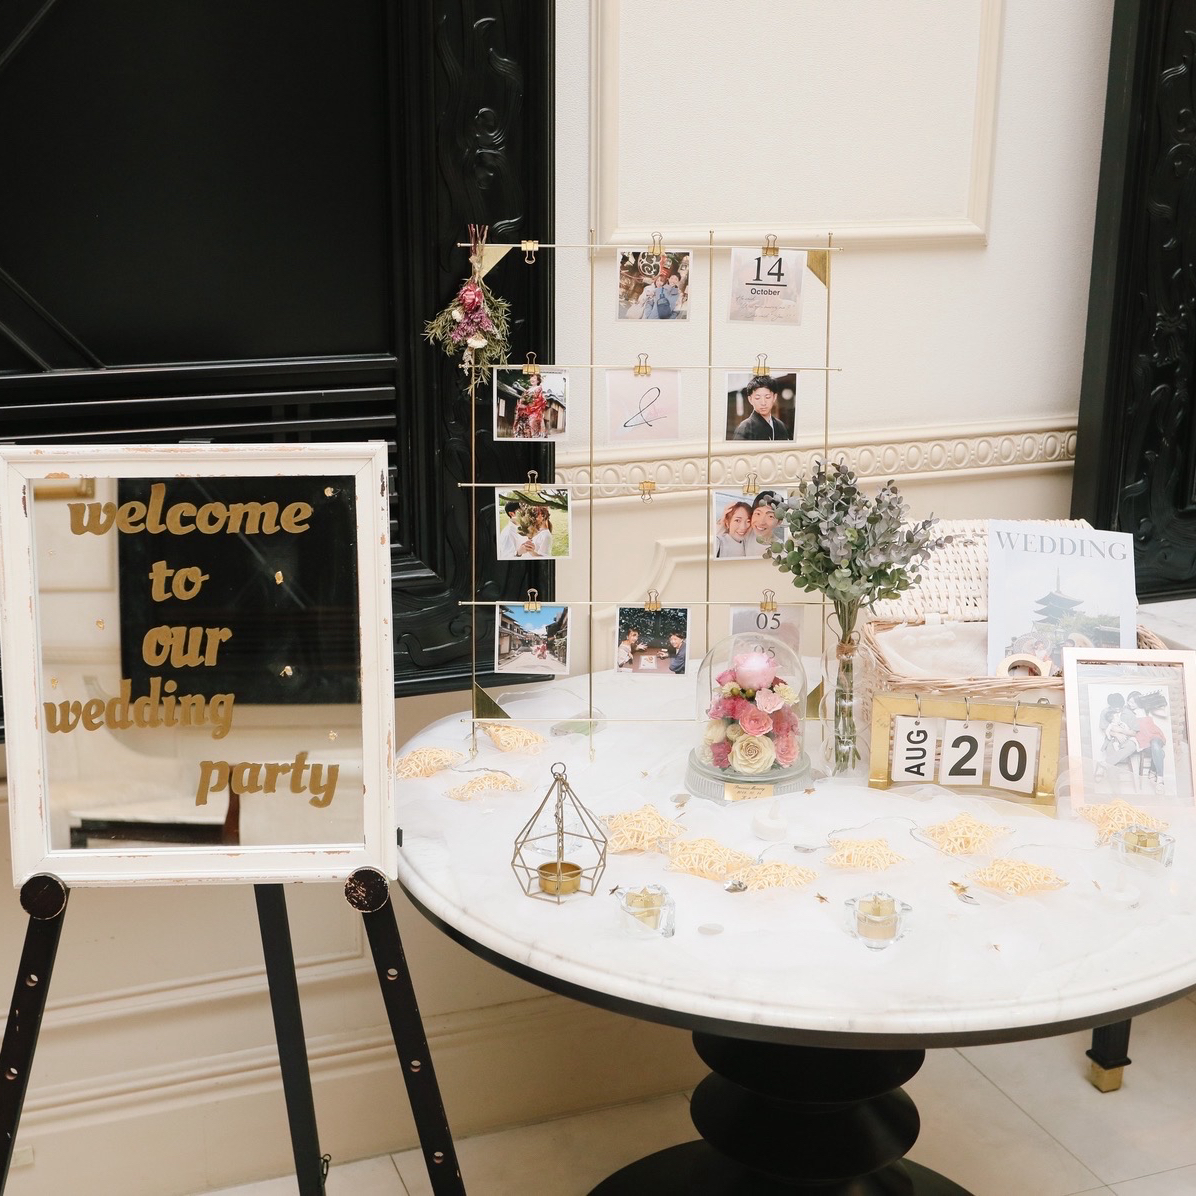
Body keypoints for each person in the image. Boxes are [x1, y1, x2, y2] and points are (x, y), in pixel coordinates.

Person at [745, 490, 784, 557]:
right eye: (758, 513)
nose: (761, 522)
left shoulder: (781, 552)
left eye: (770, 516)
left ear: (779, 522)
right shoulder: (747, 533)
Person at [524, 373, 547, 438]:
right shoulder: (528, 389)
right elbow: (524, 400)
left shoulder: (539, 388)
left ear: (538, 380)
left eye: (534, 378)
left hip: (536, 411)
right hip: (527, 411)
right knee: (527, 428)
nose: (532, 379)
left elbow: (540, 400)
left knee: (533, 426)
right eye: (531, 378)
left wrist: (530, 404)